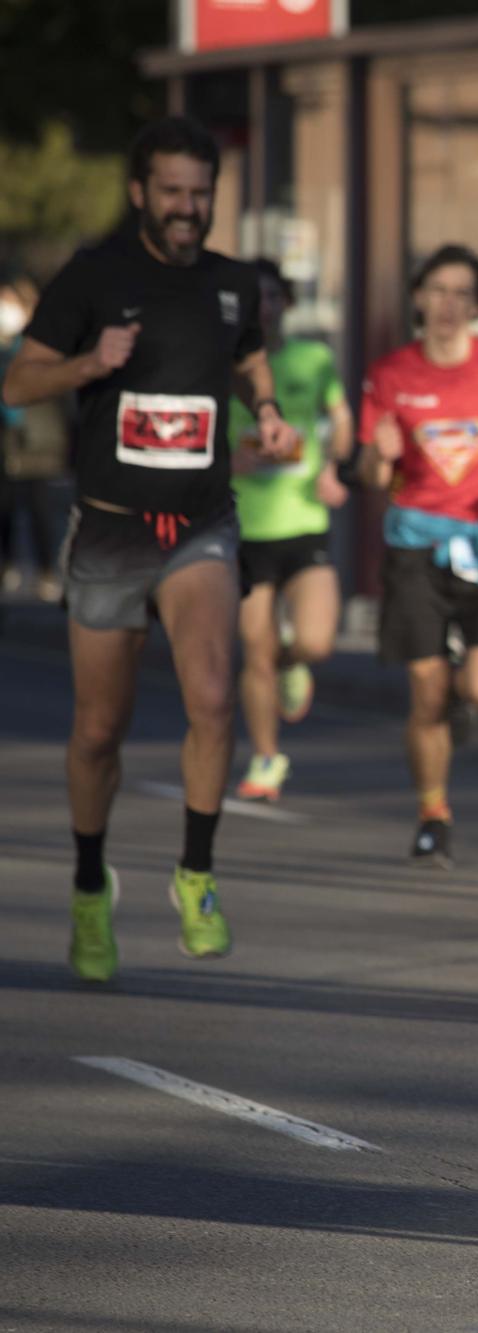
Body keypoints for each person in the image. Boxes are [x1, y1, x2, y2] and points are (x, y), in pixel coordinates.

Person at [0, 116, 299, 981]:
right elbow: (19, 379)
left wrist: (268, 410)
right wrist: (91, 362)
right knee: (101, 729)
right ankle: (91, 884)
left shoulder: (234, 281)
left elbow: (248, 360)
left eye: (199, 194)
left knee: (212, 695)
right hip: (108, 530)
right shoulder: (93, 276)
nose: (187, 208)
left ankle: (196, 874)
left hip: (199, 524)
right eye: (171, 191)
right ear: (140, 192)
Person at [357, 244, 478, 869]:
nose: (448, 304)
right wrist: (378, 454)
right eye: (438, 290)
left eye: (462, 293)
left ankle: (465, 701)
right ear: (418, 296)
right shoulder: (391, 373)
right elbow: (367, 471)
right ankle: (433, 814)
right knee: (425, 691)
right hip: (415, 545)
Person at [231, 258, 353, 801]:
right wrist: (232, 458)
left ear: (287, 303)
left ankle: (294, 664)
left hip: (303, 522)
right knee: (253, 650)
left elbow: (340, 423)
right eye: (255, 297)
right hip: (243, 529)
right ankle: (265, 757)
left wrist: (333, 464)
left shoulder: (314, 358)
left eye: (273, 296)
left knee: (316, 640)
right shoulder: (225, 365)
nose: (266, 306)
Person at [0, 276, 65, 602]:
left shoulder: (37, 347)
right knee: (6, 508)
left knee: (39, 507)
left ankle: (45, 570)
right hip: (9, 442)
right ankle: (7, 565)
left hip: (38, 440)